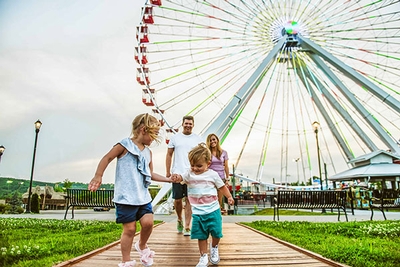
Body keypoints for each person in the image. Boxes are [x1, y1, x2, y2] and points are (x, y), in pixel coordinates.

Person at [88, 113, 175, 267]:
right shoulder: (124, 145)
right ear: (143, 129)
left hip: (142, 196)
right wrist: (98, 176)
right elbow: (107, 158)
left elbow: (150, 173)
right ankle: (126, 260)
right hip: (126, 196)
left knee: (148, 223)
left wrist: (168, 179)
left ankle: (141, 245)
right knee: (130, 229)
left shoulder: (148, 153)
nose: (154, 139)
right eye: (153, 134)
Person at [171, 143, 234, 267]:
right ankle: (203, 256)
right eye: (192, 165)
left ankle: (214, 247)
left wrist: (229, 197)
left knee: (216, 233)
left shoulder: (212, 175)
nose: (195, 168)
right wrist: (177, 177)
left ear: (208, 164)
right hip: (198, 212)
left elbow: (222, 187)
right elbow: (181, 178)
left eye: (199, 166)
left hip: (213, 210)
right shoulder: (189, 173)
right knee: (201, 235)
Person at [166, 115, 202, 236]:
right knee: (177, 200)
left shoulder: (198, 139)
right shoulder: (175, 138)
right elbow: (169, 154)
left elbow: (202, 155)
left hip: (191, 173)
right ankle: (179, 219)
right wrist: (168, 171)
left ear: (193, 125)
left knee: (189, 200)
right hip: (177, 172)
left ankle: (187, 226)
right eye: (186, 123)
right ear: (182, 124)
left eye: (190, 124)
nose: (188, 125)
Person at [206, 133, 230, 211]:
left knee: (219, 200)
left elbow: (226, 166)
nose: (212, 141)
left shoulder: (224, 152)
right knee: (210, 199)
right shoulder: (207, 153)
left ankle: (217, 220)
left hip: (221, 178)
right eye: (210, 140)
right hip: (210, 178)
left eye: (214, 139)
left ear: (217, 140)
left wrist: (227, 179)